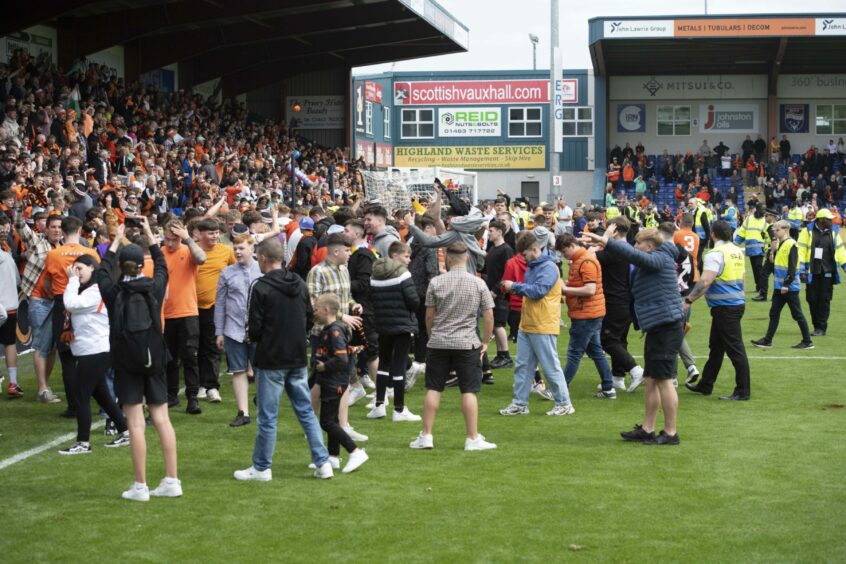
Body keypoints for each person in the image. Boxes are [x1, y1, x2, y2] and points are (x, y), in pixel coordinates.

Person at [94, 219, 181, 501]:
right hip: (154, 358)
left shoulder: (114, 292)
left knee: (135, 424)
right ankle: (172, 480)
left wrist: (116, 241)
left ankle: (141, 486)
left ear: (122, 264)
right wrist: (149, 235)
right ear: (143, 266)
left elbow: (101, 271)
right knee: (162, 419)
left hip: (126, 361)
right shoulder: (154, 287)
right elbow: (163, 265)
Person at [234, 238, 333, 481]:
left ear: (264, 259)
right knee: (306, 412)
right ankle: (322, 463)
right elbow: (310, 316)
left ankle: (261, 467)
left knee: (268, 416)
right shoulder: (298, 282)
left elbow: (254, 328)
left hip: (271, 359)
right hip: (297, 356)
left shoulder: (260, 287)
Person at [582, 225, 685, 445]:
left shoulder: (661, 258)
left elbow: (635, 256)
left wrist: (608, 241)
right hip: (657, 326)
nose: (635, 246)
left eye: (638, 243)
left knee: (664, 381)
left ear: (649, 245)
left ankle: (670, 433)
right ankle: (647, 429)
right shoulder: (654, 258)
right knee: (650, 380)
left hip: (667, 327)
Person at [409, 242, 496, 451]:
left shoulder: (436, 283)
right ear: (466, 258)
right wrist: (485, 341)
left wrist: (432, 336)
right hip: (466, 342)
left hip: (439, 341)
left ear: (448, 259)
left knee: (434, 388)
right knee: (469, 390)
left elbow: (429, 316)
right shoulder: (478, 283)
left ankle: (426, 435)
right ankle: (472, 437)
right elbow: (489, 315)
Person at [58, 254, 130, 455]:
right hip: (92, 350)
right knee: (103, 396)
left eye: (80, 268)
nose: (76, 272)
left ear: (92, 268)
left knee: (81, 396)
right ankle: (125, 431)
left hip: (94, 351)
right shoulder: (90, 289)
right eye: (74, 269)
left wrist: (71, 280)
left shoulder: (96, 290)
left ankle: (83, 442)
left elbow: (71, 304)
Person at [499, 232, 574, 416]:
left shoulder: (548, 267)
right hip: (529, 323)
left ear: (534, 249)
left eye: (524, 255)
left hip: (543, 324)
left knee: (550, 366)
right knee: (523, 366)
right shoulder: (533, 265)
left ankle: (564, 403)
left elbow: (539, 291)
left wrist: (514, 286)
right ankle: (519, 403)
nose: (522, 258)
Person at [306, 233, 367, 442]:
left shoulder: (344, 270)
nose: (350, 254)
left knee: (345, 379)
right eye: (348, 250)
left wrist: (353, 305)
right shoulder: (317, 272)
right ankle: (311, 425)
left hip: (343, 334)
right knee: (319, 381)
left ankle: (344, 425)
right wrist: (343, 316)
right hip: (322, 336)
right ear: (336, 251)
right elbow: (314, 304)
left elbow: (346, 296)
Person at [684, 220, 751, 401]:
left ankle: (743, 391)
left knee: (734, 349)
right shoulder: (736, 251)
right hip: (734, 304)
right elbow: (743, 279)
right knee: (716, 347)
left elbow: (705, 281)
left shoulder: (715, 254)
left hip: (725, 308)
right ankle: (706, 384)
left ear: (713, 234)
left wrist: (688, 299)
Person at [41, 216, 101, 418]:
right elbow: (98, 279)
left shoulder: (54, 254)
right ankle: (97, 399)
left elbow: (46, 284)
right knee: (89, 352)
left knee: (67, 358)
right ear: (80, 229)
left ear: (62, 232)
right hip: (86, 305)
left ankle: (74, 406)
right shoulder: (90, 252)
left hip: (63, 305)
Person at [312, 293, 369, 473]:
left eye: (316, 308)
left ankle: (355, 451)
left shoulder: (334, 331)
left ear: (326, 309)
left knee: (327, 422)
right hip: (331, 381)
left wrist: (324, 367)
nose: (314, 312)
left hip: (334, 382)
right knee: (333, 420)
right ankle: (333, 457)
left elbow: (342, 360)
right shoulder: (329, 329)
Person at [555, 233, 615, 398]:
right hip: (589, 312)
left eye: (564, 251)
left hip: (586, 314)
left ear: (571, 246)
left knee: (574, 353)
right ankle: (608, 388)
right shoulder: (580, 260)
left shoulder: (586, 262)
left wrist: (565, 290)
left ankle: (561, 389)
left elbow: (590, 290)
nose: (563, 255)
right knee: (596, 351)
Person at [366, 241, 421, 421]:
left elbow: (372, 298)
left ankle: (379, 405)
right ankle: (399, 409)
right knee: (398, 365)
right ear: (395, 255)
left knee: (384, 363)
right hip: (402, 323)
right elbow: (413, 300)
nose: (408, 260)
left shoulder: (375, 274)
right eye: (406, 256)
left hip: (382, 323)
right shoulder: (403, 274)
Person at [14, 206, 63, 403]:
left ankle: (44, 385)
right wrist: (16, 205)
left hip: (58, 302)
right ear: (46, 229)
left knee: (52, 347)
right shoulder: (37, 242)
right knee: (41, 344)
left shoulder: (65, 248)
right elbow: (19, 226)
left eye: (59, 227)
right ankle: (42, 388)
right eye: (53, 227)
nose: (57, 230)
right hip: (39, 300)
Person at [214, 233, 262, 426]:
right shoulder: (227, 273)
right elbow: (220, 304)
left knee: (261, 370)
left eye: (242, 248)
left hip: (259, 330)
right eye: (235, 248)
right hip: (233, 330)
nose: (238, 252)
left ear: (252, 249)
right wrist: (219, 331)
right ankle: (243, 412)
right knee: (238, 370)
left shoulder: (262, 270)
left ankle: (263, 406)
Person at [594, 217, 644, 392]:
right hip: (627, 301)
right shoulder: (629, 249)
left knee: (607, 340)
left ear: (613, 230)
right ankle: (617, 377)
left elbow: (587, 256)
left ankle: (635, 369)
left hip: (614, 301)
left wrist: (604, 238)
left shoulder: (615, 251)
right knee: (620, 340)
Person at [161, 220, 206, 414]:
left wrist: (187, 238)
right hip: (166, 313)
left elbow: (202, 258)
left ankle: (192, 397)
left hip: (187, 312)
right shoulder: (159, 253)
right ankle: (171, 396)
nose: (171, 243)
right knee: (169, 359)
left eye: (175, 239)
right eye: (168, 239)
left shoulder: (188, 251)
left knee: (190, 357)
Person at [750, 220, 813, 350]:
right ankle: (767, 341)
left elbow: (792, 267)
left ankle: (807, 342)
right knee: (774, 313)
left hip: (789, 288)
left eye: (777, 230)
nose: (774, 232)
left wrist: (786, 284)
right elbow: (776, 264)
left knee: (797, 315)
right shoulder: (781, 244)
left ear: (785, 229)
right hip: (780, 287)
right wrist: (772, 253)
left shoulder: (792, 245)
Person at [194, 218, 236, 403]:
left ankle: (211, 386)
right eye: (211, 233)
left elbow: (236, 270)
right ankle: (197, 385)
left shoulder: (226, 251)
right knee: (193, 347)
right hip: (190, 306)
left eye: (217, 233)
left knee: (212, 346)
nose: (215, 236)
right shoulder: (192, 249)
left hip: (214, 307)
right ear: (200, 234)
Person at [797, 208, 846, 336]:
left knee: (824, 299)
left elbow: (840, 251)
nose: (831, 221)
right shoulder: (806, 232)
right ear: (821, 220)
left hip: (828, 271)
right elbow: (800, 251)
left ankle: (821, 327)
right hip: (812, 271)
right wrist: (801, 269)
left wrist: (845, 266)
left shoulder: (834, 231)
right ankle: (816, 325)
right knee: (812, 299)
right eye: (828, 219)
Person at [484, 219, 515, 370]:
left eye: (491, 230)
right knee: (495, 324)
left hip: (500, 294)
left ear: (499, 232)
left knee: (499, 324)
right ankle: (500, 354)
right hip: (491, 291)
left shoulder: (506, 249)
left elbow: (507, 273)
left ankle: (505, 356)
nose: (488, 233)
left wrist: (496, 290)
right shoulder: (492, 249)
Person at [734, 204, 769, 301]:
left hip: (760, 248)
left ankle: (761, 287)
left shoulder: (765, 220)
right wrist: (735, 243)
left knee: (758, 267)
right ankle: (758, 286)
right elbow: (742, 232)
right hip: (751, 248)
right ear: (756, 209)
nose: (763, 211)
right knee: (755, 268)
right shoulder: (749, 219)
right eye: (761, 209)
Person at [0, 243, 20, 397]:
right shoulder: (8, 257)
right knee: (10, 343)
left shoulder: (8, 256)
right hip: (9, 306)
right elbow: (17, 281)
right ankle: (13, 383)